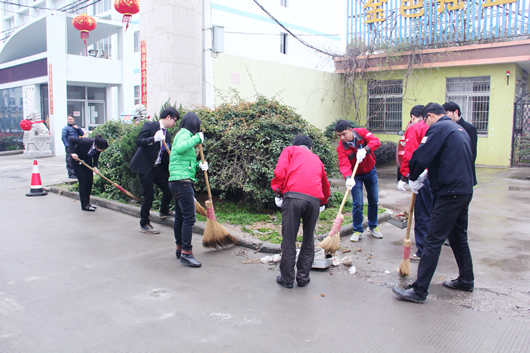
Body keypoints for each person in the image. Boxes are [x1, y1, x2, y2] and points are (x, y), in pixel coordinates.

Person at [392, 103, 475, 304]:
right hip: (464, 189)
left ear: (429, 116)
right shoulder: (459, 129)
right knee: (458, 237)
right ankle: (466, 280)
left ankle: (419, 290)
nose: (425, 124)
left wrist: (412, 176)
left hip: (450, 192)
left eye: (425, 120)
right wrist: (428, 173)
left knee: (433, 240)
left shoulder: (439, 127)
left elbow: (421, 155)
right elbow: (450, 157)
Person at [271, 135, 330, 288]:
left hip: (294, 197)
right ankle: (303, 278)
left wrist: (278, 192)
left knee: (289, 238)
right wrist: (323, 202)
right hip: (314, 200)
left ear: (295, 145)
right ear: (311, 148)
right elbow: (325, 182)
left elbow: (280, 172)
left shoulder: (290, 150)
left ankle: (287, 279)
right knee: (308, 238)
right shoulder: (317, 159)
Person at [129, 107, 180, 234]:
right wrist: (153, 139)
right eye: (174, 120)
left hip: (158, 167)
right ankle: (144, 223)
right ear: (168, 117)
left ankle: (164, 211)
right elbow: (139, 141)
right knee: (149, 196)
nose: (175, 123)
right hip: (145, 167)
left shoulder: (167, 134)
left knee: (169, 189)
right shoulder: (150, 126)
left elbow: (165, 154)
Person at [168, 112, 208, 267]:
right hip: (182, 184)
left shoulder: (181, 134)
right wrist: (197, 138)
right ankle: (187, 252)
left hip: (178, 181)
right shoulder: (184, 134)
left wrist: (199, 166)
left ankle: (180, 249)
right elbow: (179, 148)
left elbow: (185, 162)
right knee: (189, 218)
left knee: (180, 217)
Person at [335, 120, 382, 242]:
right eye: (339, 135)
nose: (342, 138)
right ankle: (357, 230)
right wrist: (348, 177)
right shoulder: (341, 147)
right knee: (358, 203)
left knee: (373, 199)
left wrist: (366, 149)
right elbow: (344, 164)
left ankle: (373, 226)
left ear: (351, 130)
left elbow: (376, 141)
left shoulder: (361, 133)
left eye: (344, 134)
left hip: (370, 171)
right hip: (356, 176)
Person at [397, 105, 432, 261]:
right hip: (435, 175)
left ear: (412, 117)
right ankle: (432, 246)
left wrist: (405, 176)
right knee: (432, 212)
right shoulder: (435, 127)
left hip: (421, 177)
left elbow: (409, 154)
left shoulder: (415, 128)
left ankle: (423, 250)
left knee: (422, 213)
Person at [442, 101, 478, 247]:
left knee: (462, 210)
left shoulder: (468, 128)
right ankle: (447, 235)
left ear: (456, 112)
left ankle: (458, 236)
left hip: (464, 177)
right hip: (450, 177)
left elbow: (471, 154)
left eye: (447, 114)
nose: (445, 117)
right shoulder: (445, 128)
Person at [68, 134, 109, 211]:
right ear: (96, 146)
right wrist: (73, 152)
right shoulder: (86, 141)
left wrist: (95, 166)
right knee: (83, 181)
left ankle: (88, 203)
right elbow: (71, 139)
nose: (102, 151)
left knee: (90, 181)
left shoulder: (98, 148)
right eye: (102, 150)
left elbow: (96, 156)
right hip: (77, 161)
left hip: (86, 162)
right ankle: (84, 205)